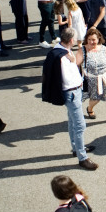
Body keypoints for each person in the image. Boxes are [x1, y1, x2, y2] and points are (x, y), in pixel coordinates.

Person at [42, 27, 98, 169]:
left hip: (73, 92)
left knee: (73, 121)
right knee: (80, 125)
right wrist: (73, 63)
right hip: (72, 92)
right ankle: (82, 157)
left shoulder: (60, 51)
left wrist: (73, 61)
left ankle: (76, 148)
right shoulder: (62, 57)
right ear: (71, 40)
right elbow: (67, 78)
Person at [77, 28, 106, 125]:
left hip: (105, 77)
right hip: (92, 79)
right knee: (95, 99)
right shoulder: (82, 50)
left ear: (98, 39)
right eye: (89, 40)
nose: (92, 42)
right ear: (86, 40)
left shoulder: (104, 48)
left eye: (94, 39)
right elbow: (76, 65)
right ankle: (90, 108)